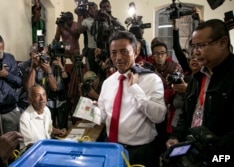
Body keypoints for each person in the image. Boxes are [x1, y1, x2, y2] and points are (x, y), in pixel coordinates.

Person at [166, 19, 234, 167]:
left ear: (222, 43)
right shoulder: (197, 77)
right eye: (194, 46)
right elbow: (186, 114)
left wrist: (215, 154)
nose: (195, 52)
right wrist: (177, 137)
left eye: (201, 46)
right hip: (192, 152)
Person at [97, 31, 167, 166]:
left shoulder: (152, 80)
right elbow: (104, 116)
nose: (118, 58)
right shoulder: (108, 82)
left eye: (124, 52)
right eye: (113, 52)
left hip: (139, 152)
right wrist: (93, 111)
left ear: (135, 52)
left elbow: (159, 116)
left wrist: (135, 89)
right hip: (111, 148)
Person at [18, 44, 57, 112]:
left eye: (43, 54)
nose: (40, 57)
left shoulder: (47, 64)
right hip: (26, 102)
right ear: (30, 55)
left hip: (42, 102)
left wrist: (49, 71)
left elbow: (54, 88)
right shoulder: (22, 66)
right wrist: (33, 68)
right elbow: (29, 89)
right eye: (37, 53)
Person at [47, 56, 72, 129]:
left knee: (62, 124)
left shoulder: (65, 73)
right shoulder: (49, 74)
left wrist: (61, 67)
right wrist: (50, 69)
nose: (56, 66)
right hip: (50, 101)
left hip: (61, 102)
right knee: (50, 124)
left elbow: (66, 79)